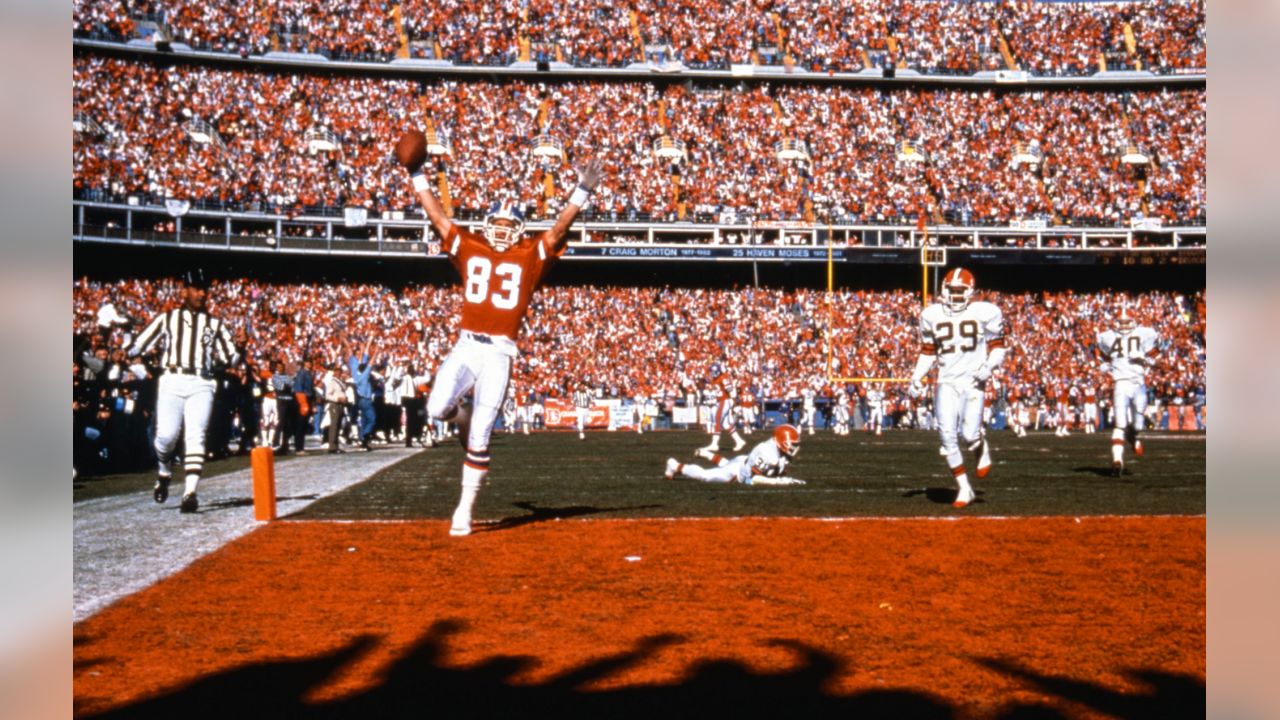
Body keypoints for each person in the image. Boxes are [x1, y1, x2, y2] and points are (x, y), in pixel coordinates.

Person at [401, 130, 604, 537]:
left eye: (508, 224)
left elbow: (558, 231)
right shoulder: (469, 244)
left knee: (481, 437)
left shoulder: (529, 255)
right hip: (465, 345)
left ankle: (464, 511)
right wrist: (417, 173)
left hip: (499, 353)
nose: (499, 229)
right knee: (437, 408)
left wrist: (581, 193)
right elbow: (438, 217)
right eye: (494, 222)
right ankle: (461, 413)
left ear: (519, 229)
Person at [127, 269, 239, 514]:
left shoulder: (214, 324)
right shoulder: (168, 318)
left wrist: (233, 358)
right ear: (185, 290)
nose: (202, 293)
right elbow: (138, 344)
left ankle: (190, 492)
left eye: (204, 289)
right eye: (197, 288)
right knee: (166, 437)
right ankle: (165, 470)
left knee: (196, 435)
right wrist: (126, 347)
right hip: (172, 378)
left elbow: (232, 355)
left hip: (202, 381)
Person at [908, 267, 1006, 508]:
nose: (955, 295)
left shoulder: (986, 312)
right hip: (947, 381)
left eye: (960, 291)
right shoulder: (931, 315)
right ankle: (964, 488)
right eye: (952, 290)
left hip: (973, 380)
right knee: (947, 437)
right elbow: (928, 352)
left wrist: (989, 366)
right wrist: (916, 377)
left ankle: (981, 445)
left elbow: (999, 347)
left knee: (970, 435)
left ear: (970, 292)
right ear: (944, 290)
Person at [1096, 310, 1159, 475]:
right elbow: (1102, 356)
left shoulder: (1144, 333)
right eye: (1121, 322)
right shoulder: (1107, 336)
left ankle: (1132, 436)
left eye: (1126, 322)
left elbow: (1156, 355)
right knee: (1120, 424)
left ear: (1133, 322)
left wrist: (1144, 359)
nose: (1124, 326)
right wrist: (1105, 365)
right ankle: (1118, 461)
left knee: (1138, 425)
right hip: (1121, 383)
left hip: (1138, 383)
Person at [664, 424, 806, 485]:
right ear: (782, 441)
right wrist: (778, 482)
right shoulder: (770, 454)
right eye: (792, 443)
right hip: (737, 473)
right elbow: (754, 478)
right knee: (706, 476)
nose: (794, 447)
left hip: (744, 460)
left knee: (729, 464)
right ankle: (675, 465)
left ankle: (707, 454)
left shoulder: (776, 451)